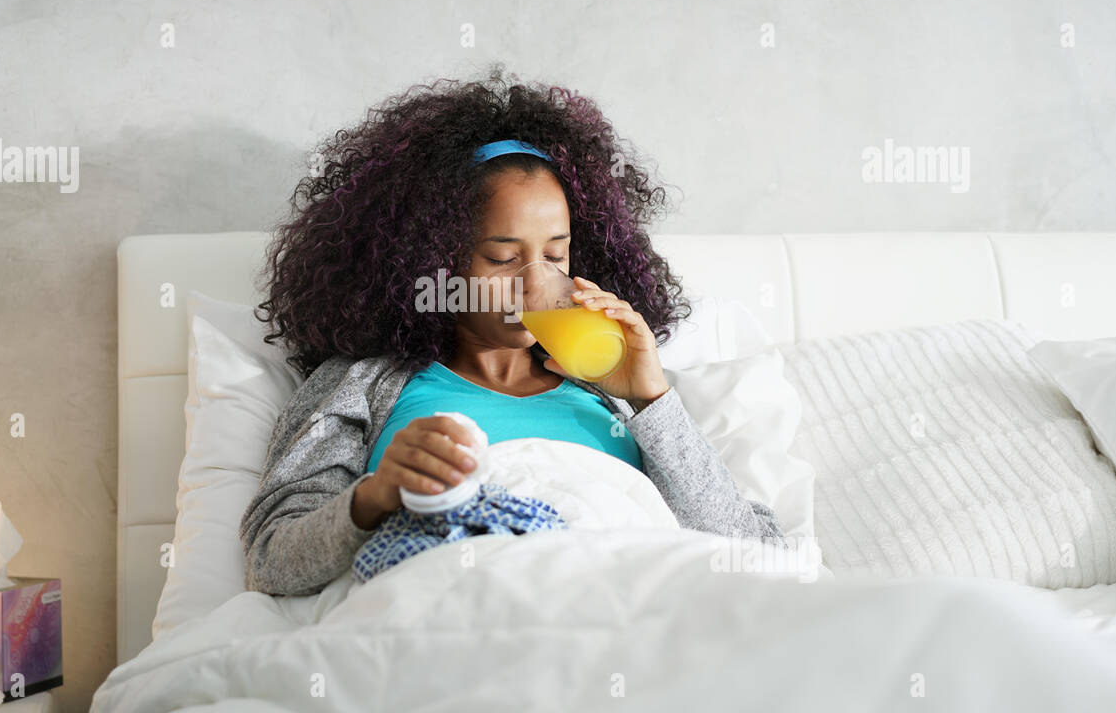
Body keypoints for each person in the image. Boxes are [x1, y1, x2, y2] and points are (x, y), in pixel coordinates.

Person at [240, 67, 785, 597]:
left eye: (555, 254)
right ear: (430, 261)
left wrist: (650, 399)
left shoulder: (617, 395)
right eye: (502, 258)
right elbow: (272, 560)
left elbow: (746, 551)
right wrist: (377, 495)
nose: (534, 282)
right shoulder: (364, 385)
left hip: (621, 605)